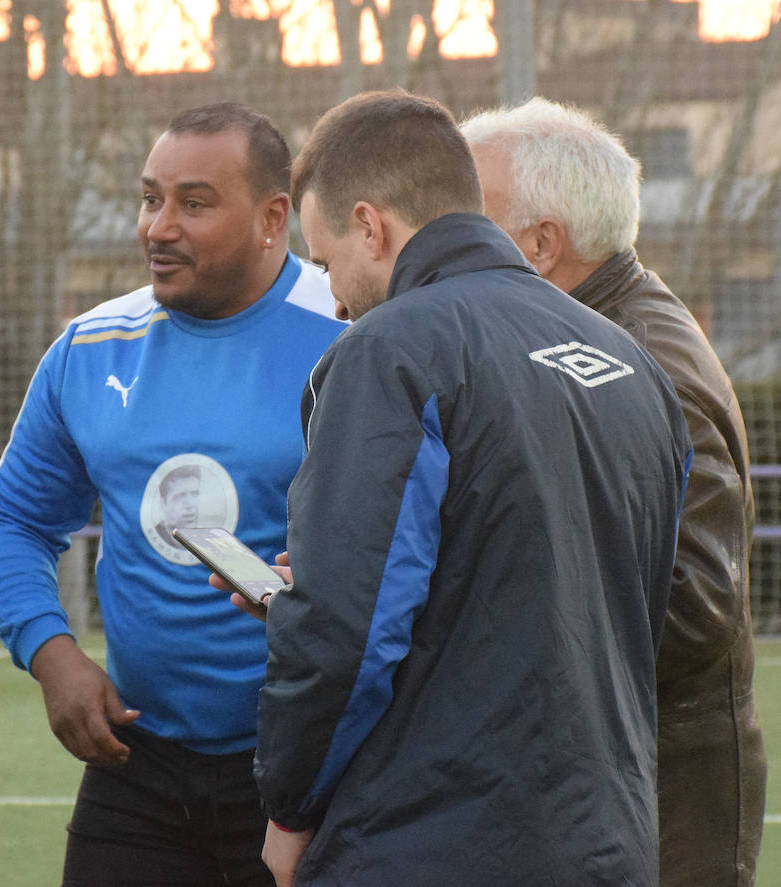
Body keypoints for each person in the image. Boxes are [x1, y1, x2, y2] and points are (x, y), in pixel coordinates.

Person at [254, 90, 691, 886]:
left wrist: (290, 807)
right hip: (610, 841)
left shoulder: (392, 352)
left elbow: (345, 631)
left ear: (369, 225)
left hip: (432, 842)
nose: (336, 298)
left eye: (323, 264)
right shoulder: (630, 361)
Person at [0, 102, 346, 886]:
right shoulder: (91, 345)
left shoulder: (353, 339)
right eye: (150, 198)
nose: (158, 227)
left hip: (313, 770)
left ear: (274, 216)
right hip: (136, 763)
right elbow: (11, 519)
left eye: (194, 203)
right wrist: (52, 651)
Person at [460, 97, 766, 887]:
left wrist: (472, 619)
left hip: (662, 797)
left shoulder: (642, 363)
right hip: (602, 785)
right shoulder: (564, 336)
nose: (444, 237)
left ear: (541, 244)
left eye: (466, 215)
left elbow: (694, 608)